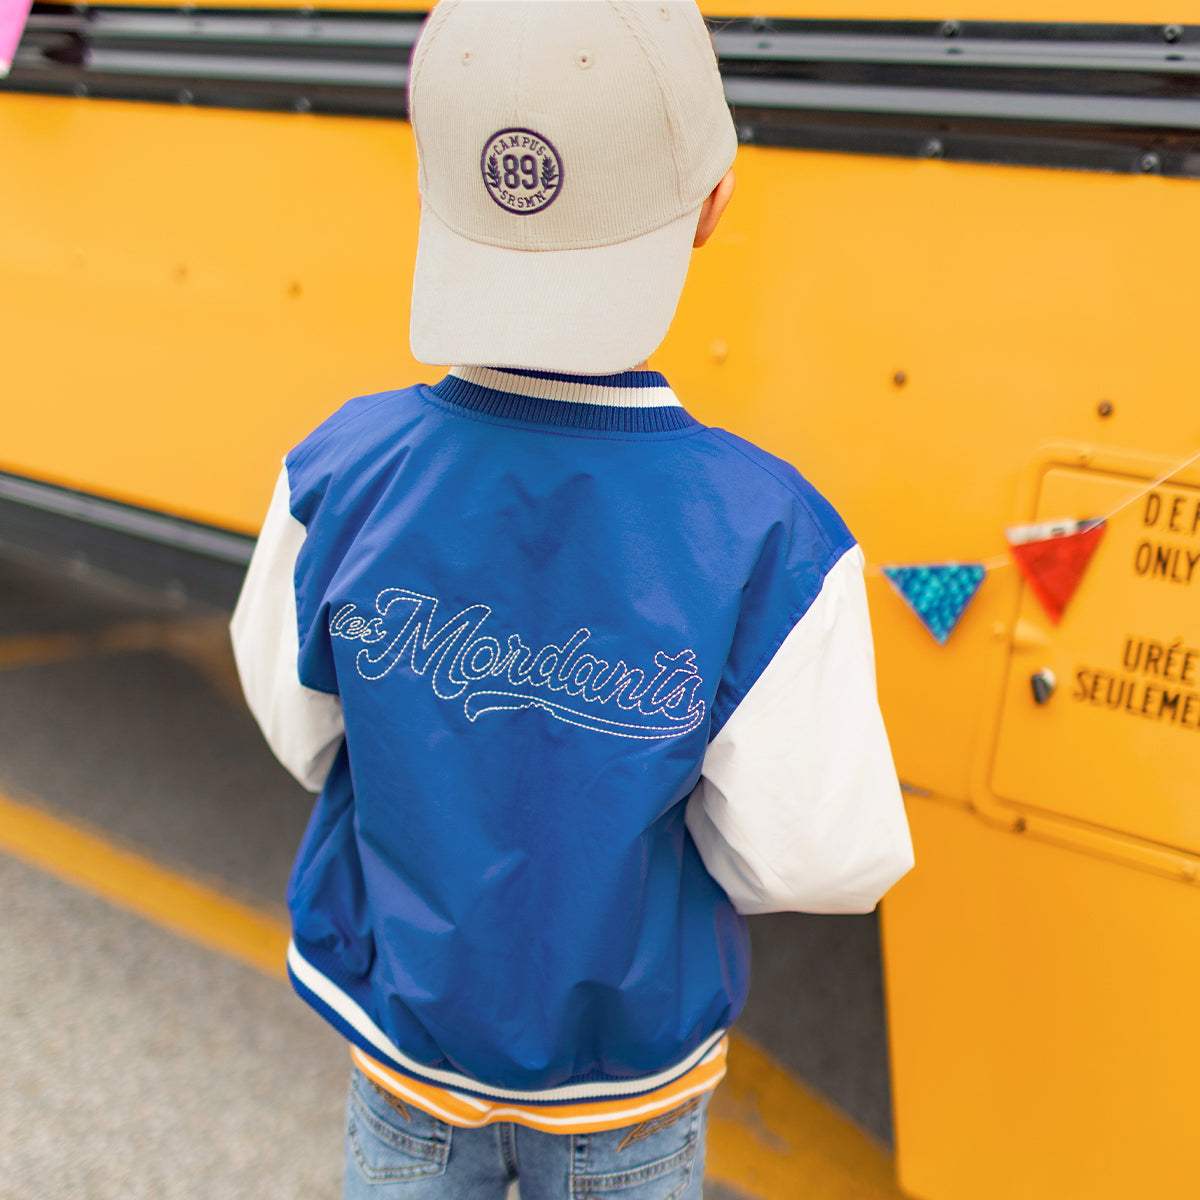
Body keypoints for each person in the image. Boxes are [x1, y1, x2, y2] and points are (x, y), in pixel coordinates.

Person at [231, 2, 914, 1197]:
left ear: (430, 181)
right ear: (712, 205)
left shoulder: (336, 469)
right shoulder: (769, 527)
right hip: (628, 1087)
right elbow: (816, 854)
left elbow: (302, 732)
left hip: (406, 1054)